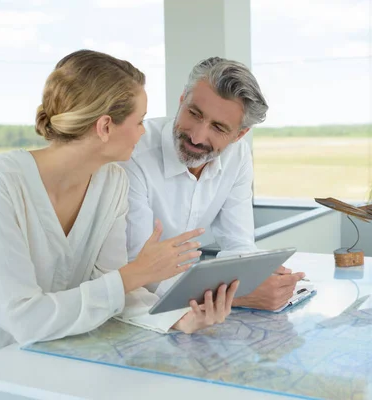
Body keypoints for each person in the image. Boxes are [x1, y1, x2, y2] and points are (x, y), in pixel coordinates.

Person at [0, 50, 238, 400]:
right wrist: (136, 273)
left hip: (20, 352)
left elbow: (115, 289)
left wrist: (176, 320)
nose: (143, 132)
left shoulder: (111, 182)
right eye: (139, 121)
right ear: (105, 126)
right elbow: (25, 318)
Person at [121, 56, 305, 311]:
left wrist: (262, 280)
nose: (197, 136)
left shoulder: (238, 156)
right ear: (182, 98)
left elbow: (238, 246)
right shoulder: (133, 153)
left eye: (218, 128)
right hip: (130, 307)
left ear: (239, 135)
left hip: (184, 309)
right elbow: (139, 268)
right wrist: (241, 296)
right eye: (194, 113)